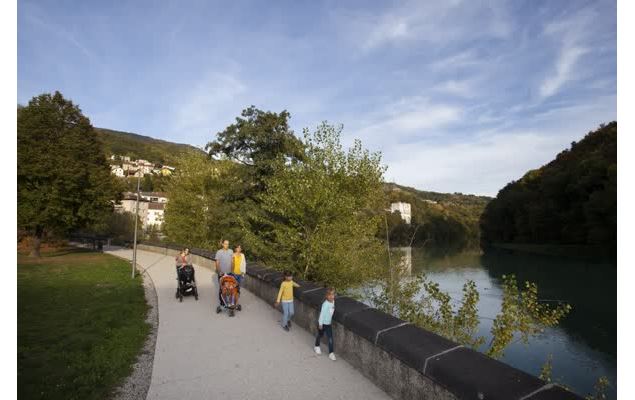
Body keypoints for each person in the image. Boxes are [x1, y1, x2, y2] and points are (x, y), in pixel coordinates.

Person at [314, 288, 336, 361]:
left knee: (330, 338)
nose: (331, 296)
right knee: (320, 335)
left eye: (332, 294)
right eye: (329, 295)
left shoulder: (333, 302)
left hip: (328, 324)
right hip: (322, 324)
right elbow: (322, 314)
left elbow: (331, 312)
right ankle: (317, 346)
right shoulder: (325, 304)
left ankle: (331, 353)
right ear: (326, 296)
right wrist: (320, 324)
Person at [215, 240, 233, 306]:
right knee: (222, 288)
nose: (227, 245)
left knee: (230, 288)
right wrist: (219, 272)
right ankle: (222, 303)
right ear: (222, 244)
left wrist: (232, 270)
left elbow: (232, 261)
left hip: (229, 273)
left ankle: (230, 302)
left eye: (228, 244)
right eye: (225, 244)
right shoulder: (219, 252)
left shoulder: (231, 251)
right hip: (221, 273)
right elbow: (217, 262)